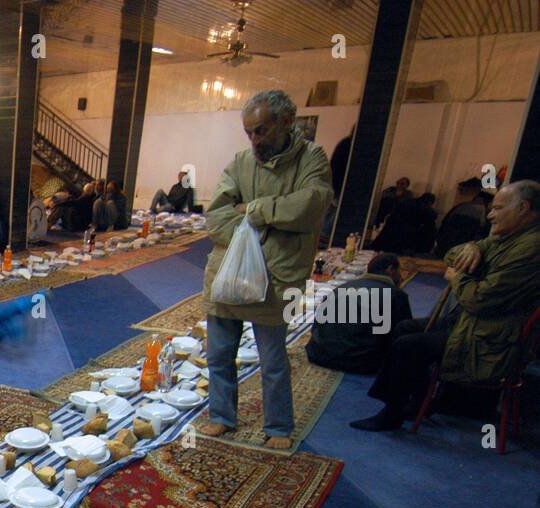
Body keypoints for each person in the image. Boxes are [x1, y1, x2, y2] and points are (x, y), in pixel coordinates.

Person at [197, 89, 333, 450]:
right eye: (249, 133)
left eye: (262, 130)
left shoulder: (312, 158)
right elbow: (217, 218)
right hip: (229, 274)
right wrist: (269, 225)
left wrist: (254, 212)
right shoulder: (241, 162)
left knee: (273, 359)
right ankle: (221, 416)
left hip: (278, 276)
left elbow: (311, 205)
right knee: (219, 353)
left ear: (286, 122)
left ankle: (278, 426)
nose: (255, 140)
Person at [350, 180, 540, 432]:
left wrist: (456, 276)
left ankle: (392, 413)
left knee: (408, 345)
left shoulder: (530, 249)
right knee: (404, 328)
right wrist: (473, 246)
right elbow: (451, 254)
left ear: (523, 208)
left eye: (498, 208)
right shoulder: (510, 236)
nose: (491, 215)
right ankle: (415, 401)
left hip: (490, 341)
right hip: (475, 325)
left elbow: (478, 299)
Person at [304, 252, 412, 374]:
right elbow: (403, 334)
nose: (402, 276)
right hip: (360, 361)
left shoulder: (342, 288)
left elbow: (317, 326)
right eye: (400, 271)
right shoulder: (396, 295)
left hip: (320, 354)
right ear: (390, 269)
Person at [435, 178, 490, 258]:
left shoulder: (468, 209)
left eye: (461, 189)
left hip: (452, 251)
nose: (459, 191)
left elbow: (451, 234)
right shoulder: (478, 208)